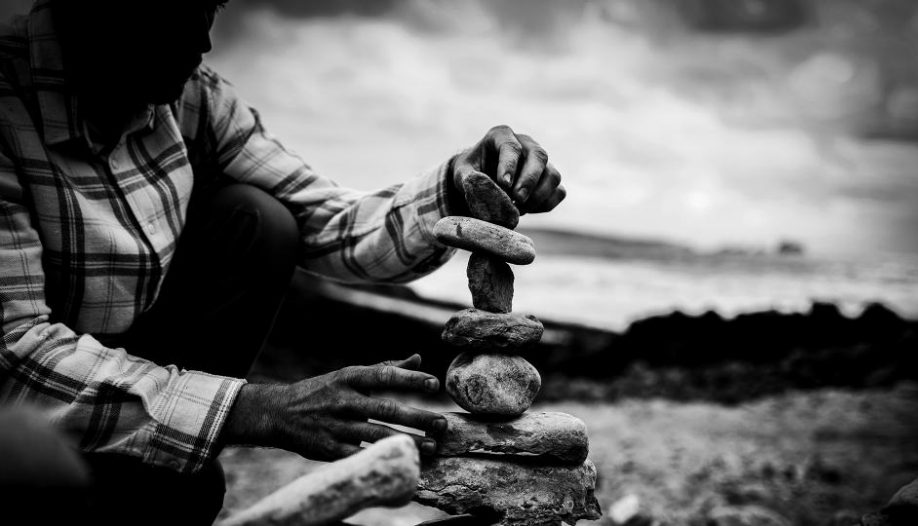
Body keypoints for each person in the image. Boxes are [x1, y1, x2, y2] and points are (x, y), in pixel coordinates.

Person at [0, 0, 565, 524]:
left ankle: (161, 474)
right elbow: (16, 353)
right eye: (175, 6)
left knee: (260, 217)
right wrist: (252, 409)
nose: (202, 40)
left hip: (139, 367)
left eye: (211, 5)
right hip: (17, 425)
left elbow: (337, 226)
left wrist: (459, 182)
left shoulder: (188, 96)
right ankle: (142, 478)